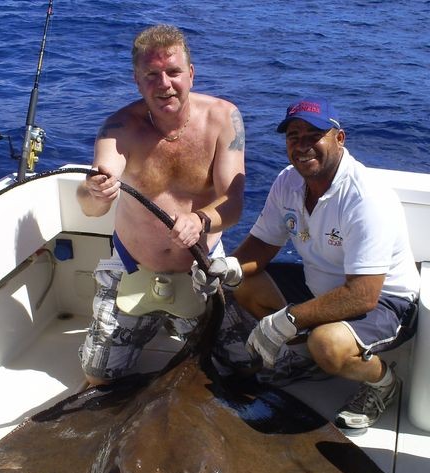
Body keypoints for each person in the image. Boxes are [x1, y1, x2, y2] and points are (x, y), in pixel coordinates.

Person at [192, 97, 420, 429]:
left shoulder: (366, 198)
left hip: (386, 301)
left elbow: (362, 295)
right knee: (242, 282)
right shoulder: (288, 181)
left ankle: (382, 382)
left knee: (327, 345)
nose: (302, 146)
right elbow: (262, 245)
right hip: (321, 286)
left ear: (339, 139)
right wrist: (225, 268)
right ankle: (304, 360)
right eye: (294, 136)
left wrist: (289, 319)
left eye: (314, 135)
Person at [77, 24, 245, 385]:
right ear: (137, 81)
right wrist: (94, 191)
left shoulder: (223, 119)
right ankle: (154, 324)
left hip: (199, 268)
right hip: (133, 268)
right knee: (99, 378)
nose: (164, 84)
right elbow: (93, 205)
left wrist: (200, 220)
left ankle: (175, 324)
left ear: (191, 74)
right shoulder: (118, 128)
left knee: (239, 371)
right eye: (151, 75)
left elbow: (233, 203)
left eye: (173, 72)